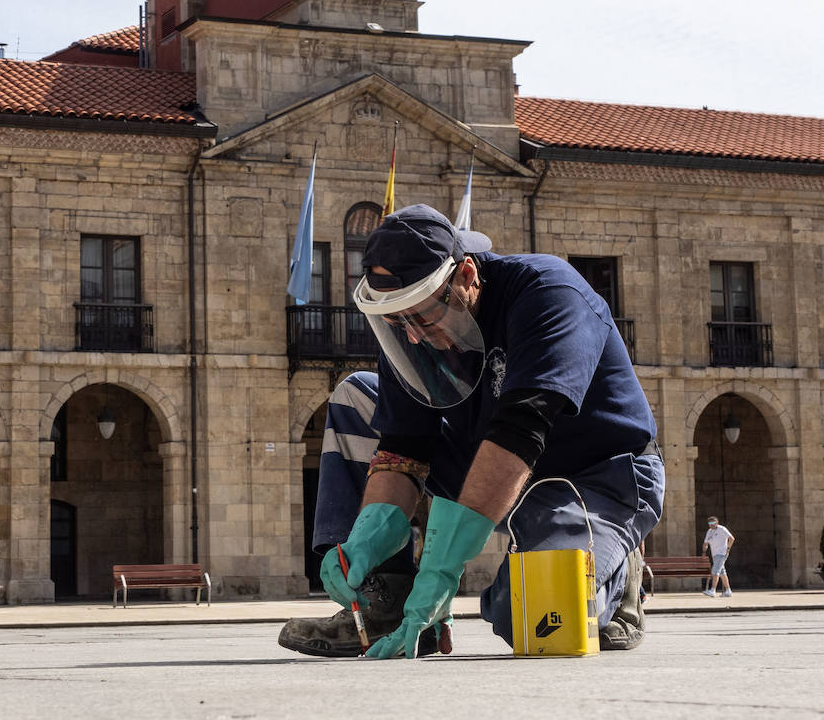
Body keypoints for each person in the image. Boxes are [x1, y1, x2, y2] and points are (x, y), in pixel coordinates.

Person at [278, 203, 664, 658]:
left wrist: (442, 568)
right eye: (396, 321)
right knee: (357, 396)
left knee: (530, 619)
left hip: (594, 477)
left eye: (420, 315)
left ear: (466, 275)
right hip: (487, 461)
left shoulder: (548, 293)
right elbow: (404, 444)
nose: (413, 335)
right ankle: (383, 602)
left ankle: (620, 576)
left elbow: (522, 429)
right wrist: (367, 537)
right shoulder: (410, 329)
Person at [701, 517, 734, 597]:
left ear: (717, 522)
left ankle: (713, 590)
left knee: (715, 571)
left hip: (722, 553)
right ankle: (728, 590)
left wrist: (728, 548)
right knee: (722, 572)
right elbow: (706, 543)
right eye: (709, 524)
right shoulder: (709, 531)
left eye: (713, 523)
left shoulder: (722, 529)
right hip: (715, 554)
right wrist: (704, 551)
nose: (711, 525)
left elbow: (731, 538)